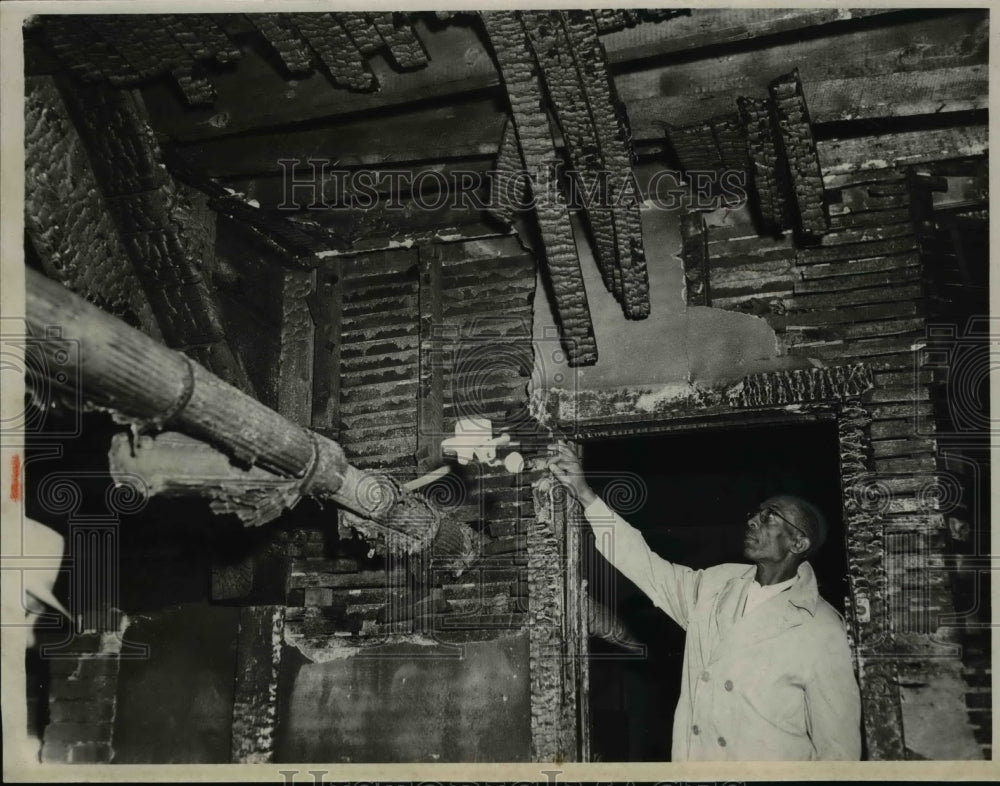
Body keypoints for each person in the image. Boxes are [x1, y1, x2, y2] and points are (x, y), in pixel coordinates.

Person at [548, 443, 861, 761]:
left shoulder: (823, 628)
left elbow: (839, 751)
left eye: (771, 517)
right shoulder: (717, 584)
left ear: (799, 542)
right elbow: (647, 566)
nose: (753, 520)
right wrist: (585, 494)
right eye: (755, 513)